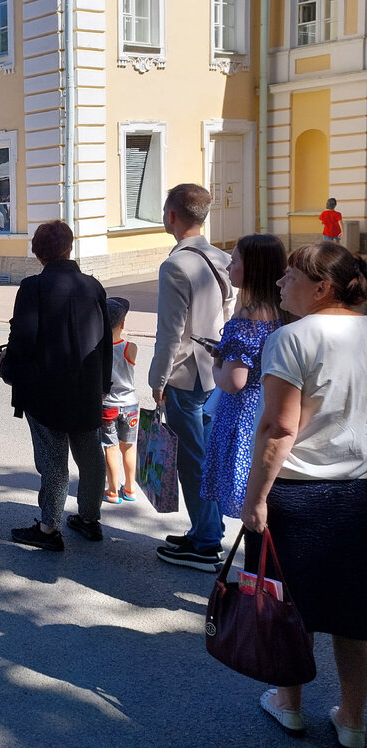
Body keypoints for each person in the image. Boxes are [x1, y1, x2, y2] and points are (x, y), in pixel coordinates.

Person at [241, 243, 367, 742]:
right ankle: (353, 720)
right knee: (354, 616)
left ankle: (289, 704)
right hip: (359, 494)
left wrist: (255, 498)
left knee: (287, 607)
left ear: (322, 288)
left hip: (299, 494)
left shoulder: (291, 338)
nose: (279, 282)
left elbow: (278, 427)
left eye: (290, 276)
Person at [1, 221, 111, 550]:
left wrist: (9, 368)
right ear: (69, 247)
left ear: (38, 252)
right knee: (90, 454)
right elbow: (105, 340)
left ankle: (49, 527)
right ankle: (89, 518)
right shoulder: (93, 285)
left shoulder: (33, 287)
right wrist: (104, 382)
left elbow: (23, 338)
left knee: (52, 459)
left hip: (45, 388)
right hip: (87, 386)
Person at [149, 183, 235, 570]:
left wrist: (157, 379)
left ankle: (205, 542)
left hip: (185, 374)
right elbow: (228, 314)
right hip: (214, 371)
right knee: (206, 457)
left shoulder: (175, 265)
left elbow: (170, 332)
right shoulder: (222, 257)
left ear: (171, 216)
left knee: (191, 461)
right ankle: (207, 530)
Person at [200, 233, 286, 518]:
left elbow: (233, 382)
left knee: (248, 508)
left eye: (234, 261)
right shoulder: (283, 311)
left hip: (243, 418)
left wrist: (216, 363)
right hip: (272, 406)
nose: (229, 267)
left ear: (253, 268)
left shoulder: (247, 319)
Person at [100, 297, 139, 504]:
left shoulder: (99, 349)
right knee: (129, 446)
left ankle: (113, 490)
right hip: (130, 404)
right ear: (122, 324)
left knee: (110, 447)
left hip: (108, 405)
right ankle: (130, 488)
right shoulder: (130, 347)